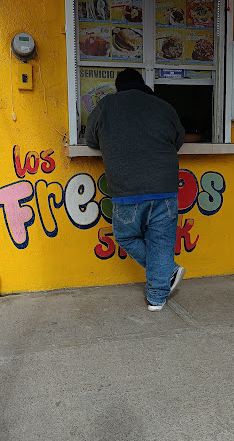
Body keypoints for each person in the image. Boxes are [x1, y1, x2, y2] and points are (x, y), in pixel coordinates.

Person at [85, 68, 186, 311]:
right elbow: (178, 140)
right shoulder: (163, 106)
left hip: (127, 189)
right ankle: (157, 298)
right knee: (161, 241)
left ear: (117, 88)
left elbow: (90, 140)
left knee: (125, 236)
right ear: (144, 85)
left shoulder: (106, 106)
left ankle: (167, 272)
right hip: (165, 188)